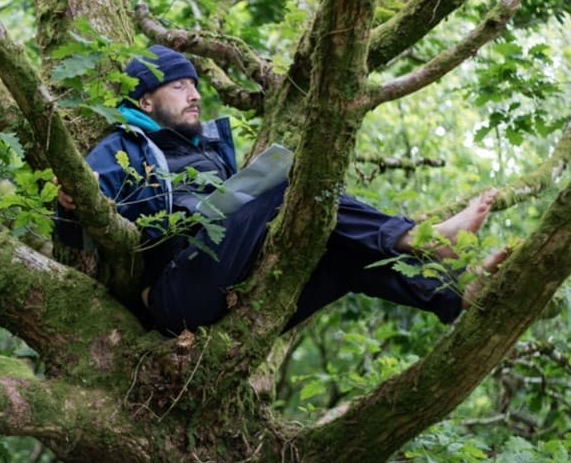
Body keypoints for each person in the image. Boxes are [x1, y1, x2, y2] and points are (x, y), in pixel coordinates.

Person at [56, 45, 502, 336]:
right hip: (177, 295)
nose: (193, 94)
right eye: (178, 85)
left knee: (333, 247)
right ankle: (419, 237)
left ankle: (452, 292)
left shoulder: (210, 150)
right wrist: (75, 199)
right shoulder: (126, 145)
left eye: (194, 84)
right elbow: (78, 225)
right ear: (145, 102)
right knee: (294, 188)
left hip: (231, 290)